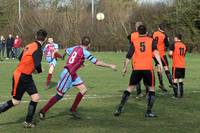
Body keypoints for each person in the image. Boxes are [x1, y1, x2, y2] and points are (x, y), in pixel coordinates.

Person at [39, 36, 116, 119]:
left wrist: (67, 58)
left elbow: (66, 50)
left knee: (83, 90)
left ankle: (73, 110)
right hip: (67, 74)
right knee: (59, 95)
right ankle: (43, 111)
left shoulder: (76, 47)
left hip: (72, 74)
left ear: (80, 42)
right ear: (89, 45)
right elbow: (96, 62)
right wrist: (110, 65)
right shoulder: (85, 52)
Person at [0, 29, 47, 128]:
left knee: (35, 98)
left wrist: (30, 68)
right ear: (45, 39)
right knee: (15, 101)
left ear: (35, 36)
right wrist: (39, 70)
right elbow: (37, 65)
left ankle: (27, 122)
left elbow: (20, 58)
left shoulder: (29, 45)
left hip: (26, 76)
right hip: (20, 76)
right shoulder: (38, 49)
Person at [114, 25, 163, 117]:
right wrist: (159, 64)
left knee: (129, 88)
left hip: (137, 69)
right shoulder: (151, 40)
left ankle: (119, 109)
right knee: (151, 89)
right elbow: (156, 52)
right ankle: (148, 112)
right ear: (146, 32)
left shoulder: (134, 41)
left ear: (138, 32)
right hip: (148, 68)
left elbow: (129, 55)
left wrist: (125, 67)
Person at [127, 21, 149, 98]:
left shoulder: (131, 35)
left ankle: (139, 93)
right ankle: (147, 92)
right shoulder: (146, 35)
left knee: (137, 77)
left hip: (135, 60)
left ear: (136, 27)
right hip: (146, 59)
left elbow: (131, 46)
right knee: (146, 77)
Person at [152, 23, 174, 92]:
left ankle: (161, 84)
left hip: (153, 54)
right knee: (166, 67)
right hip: (160, 54)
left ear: (158, 28)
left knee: (159, 67)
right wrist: (168, 40)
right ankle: (171, 82)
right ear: (164, 29)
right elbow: (167, 45)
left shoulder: (154, 33)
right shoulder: (164, 35)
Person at [168, 34, 187, 98]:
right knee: (181, 79)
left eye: (174, 38)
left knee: (175, 80)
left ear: (176, 38)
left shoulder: (174, 44)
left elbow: (170, 54)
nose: (174, 39)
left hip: (176, 65)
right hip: (182, 65)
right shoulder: (184, 45)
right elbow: (184, 54)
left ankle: (175, 95)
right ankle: (181, 95)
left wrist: (170, 55)